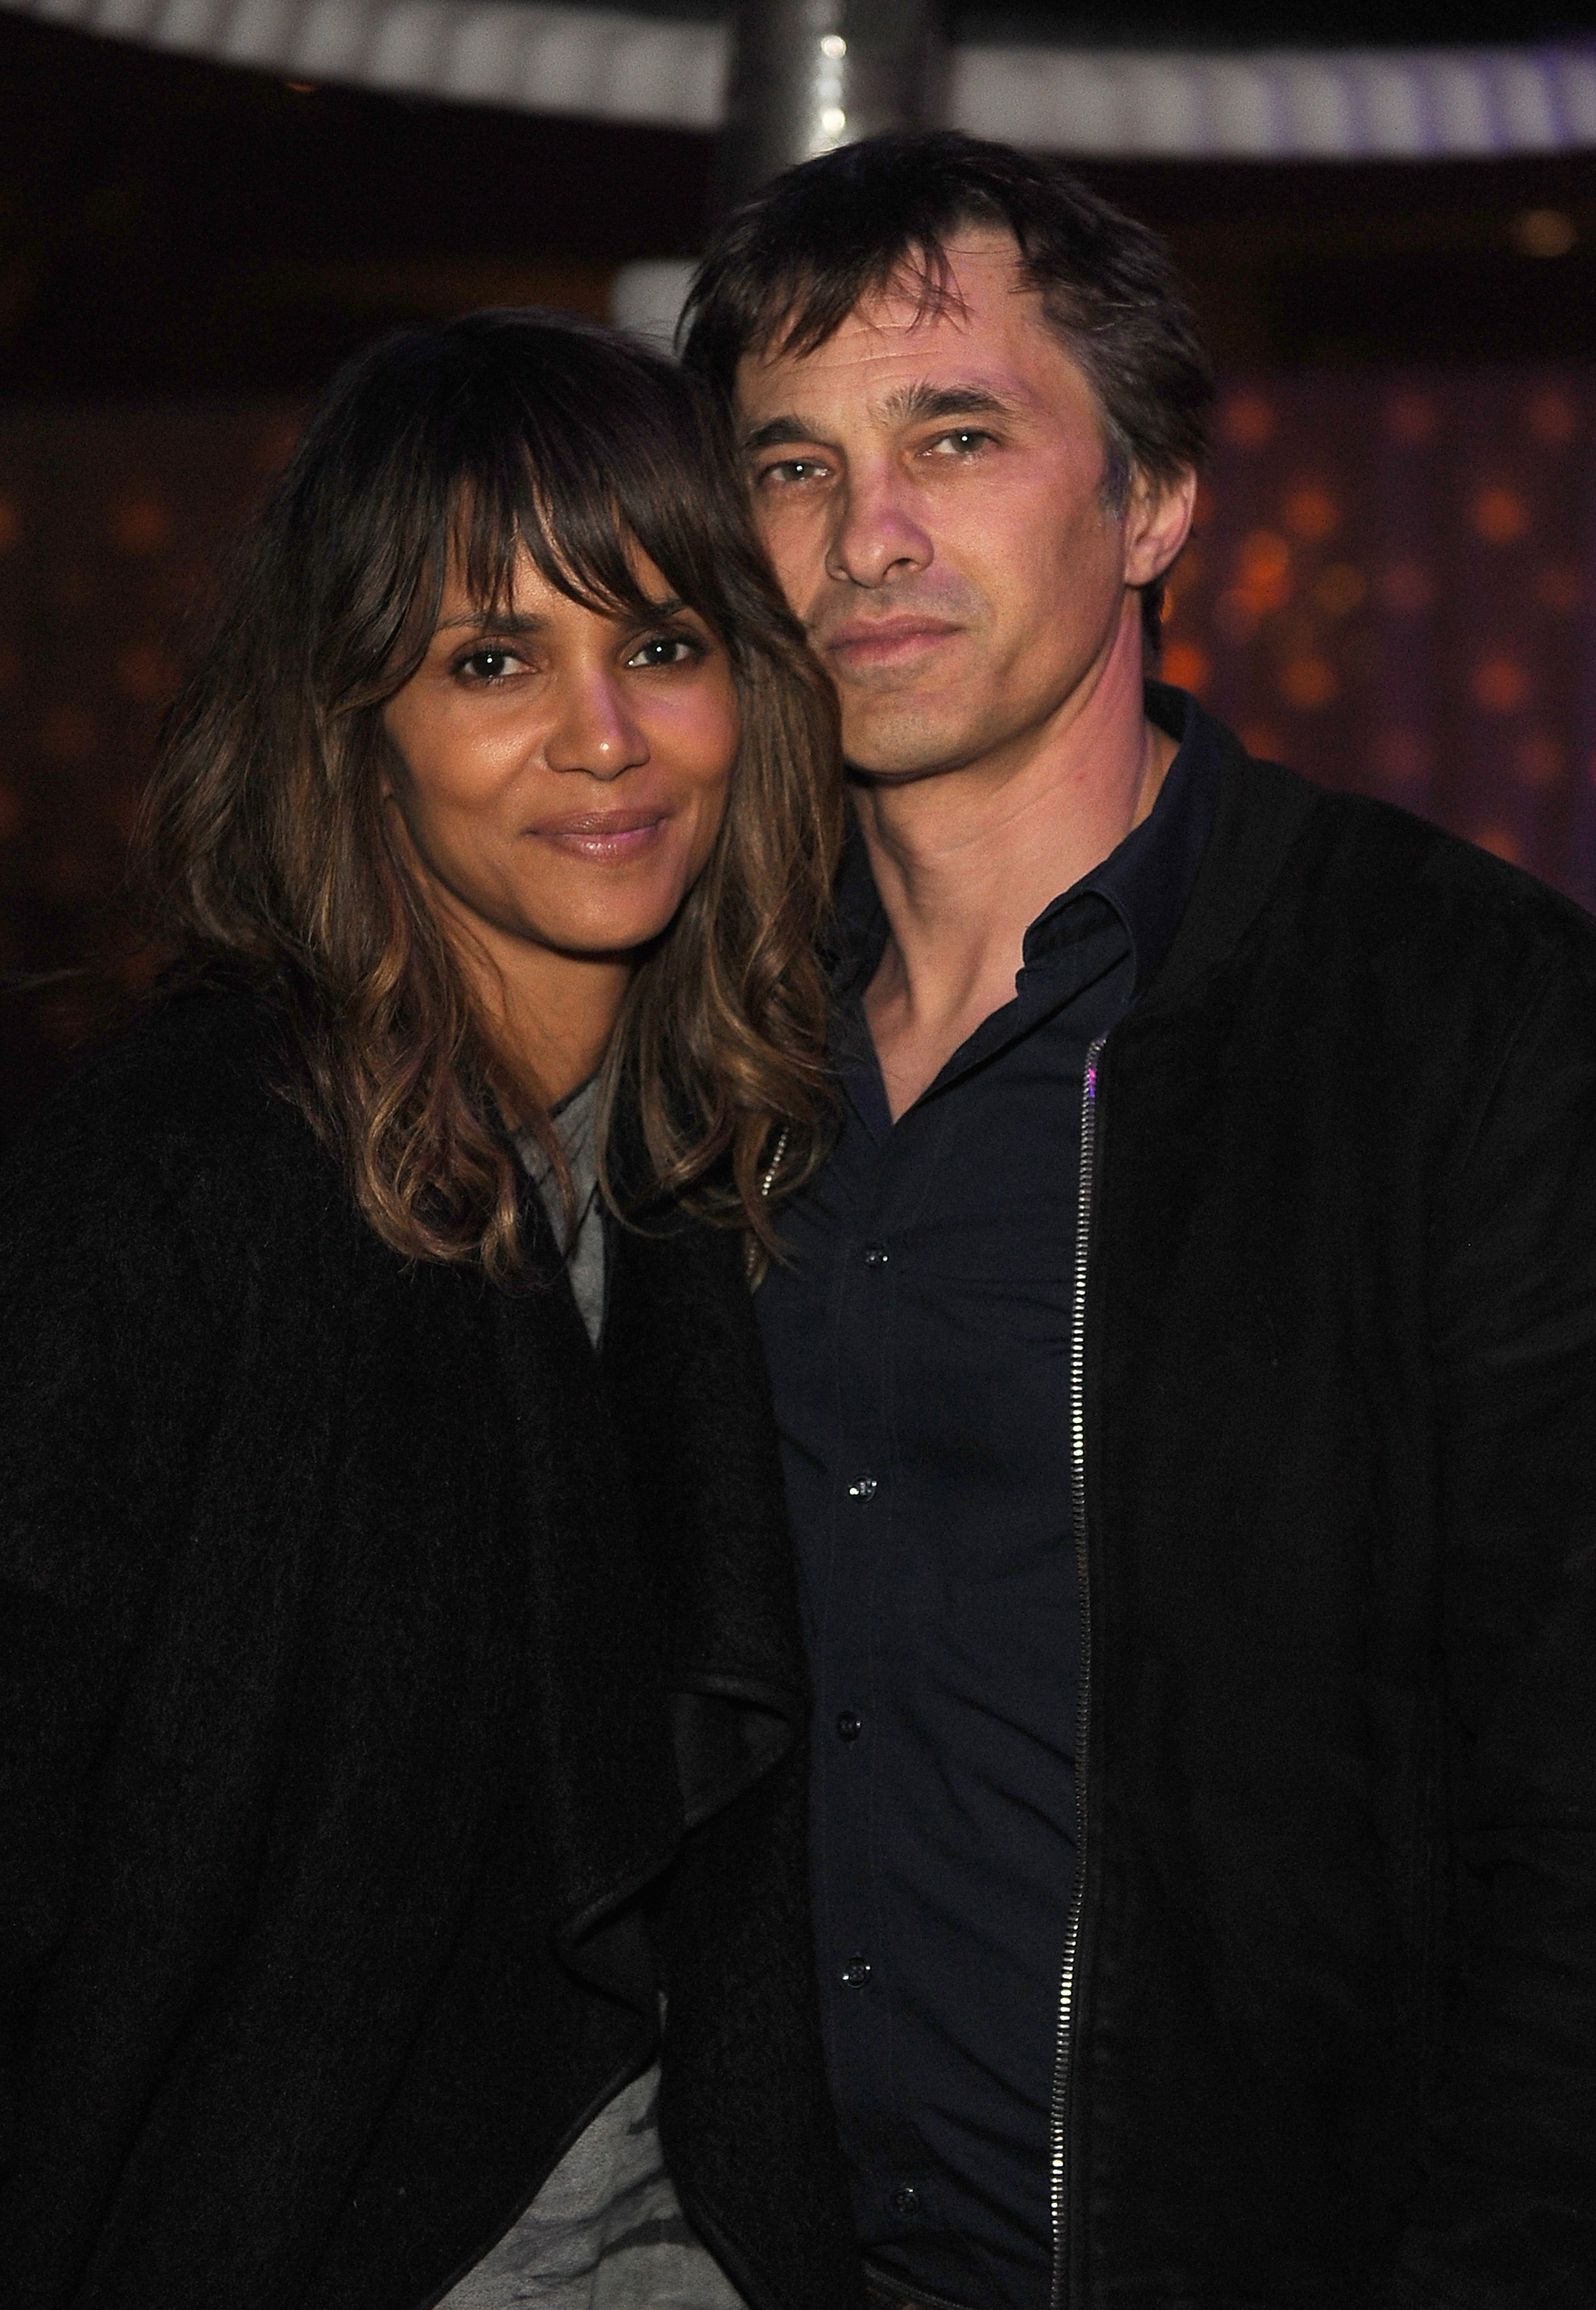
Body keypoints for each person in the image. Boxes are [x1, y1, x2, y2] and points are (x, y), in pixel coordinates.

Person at [681, 132, 1596, 2310]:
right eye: (790, 468)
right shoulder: (692, 1050)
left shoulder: (1454, 1011)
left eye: (956, 436)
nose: (865, 535)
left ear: (1155, 499)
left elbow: (1568, 1808)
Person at [0, 310, 865, 2310]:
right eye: (494, 660)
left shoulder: (698, 1162)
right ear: (348, 715)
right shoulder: (176, 1183)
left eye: (660, 643)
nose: (605, 735)